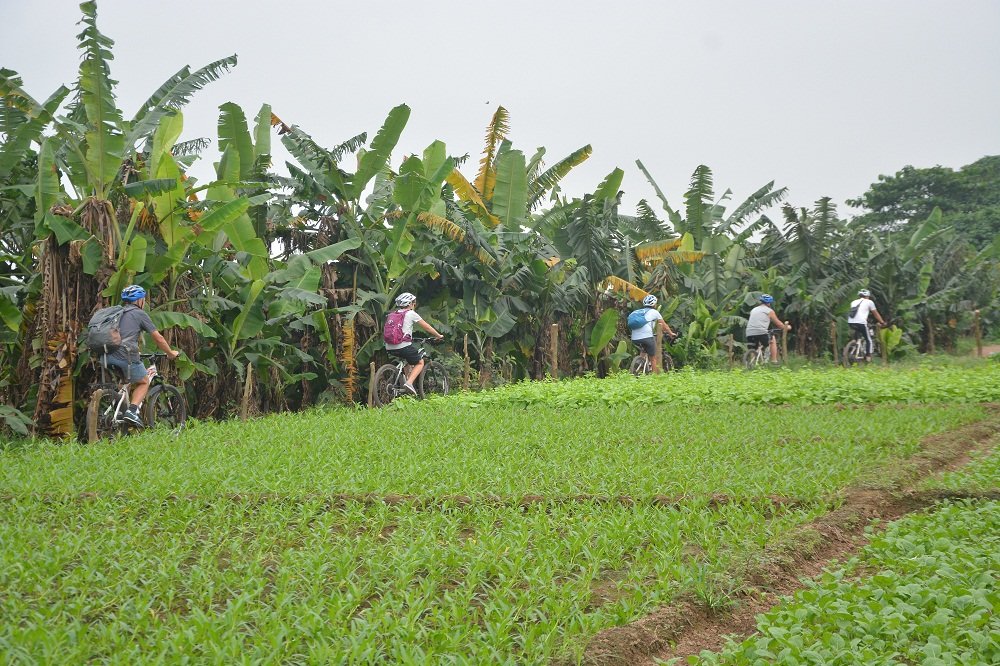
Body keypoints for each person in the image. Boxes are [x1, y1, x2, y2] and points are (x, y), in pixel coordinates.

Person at [102, 285, 180, 426]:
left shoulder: (117, 313)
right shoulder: (139, 314)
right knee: (144, 381)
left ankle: (118, 411)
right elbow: (158, 338)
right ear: (139, 301)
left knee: (126, 381)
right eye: (143, 299)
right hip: (124, 355)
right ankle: (132, 411)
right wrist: (170, 353)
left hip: (106, 355)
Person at [384, 292, 444, 395]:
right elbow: (427, 327)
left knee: (408, 360)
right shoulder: (410, 313)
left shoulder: (392, 314)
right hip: (402, 345)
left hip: (389, 346)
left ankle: (406, 387)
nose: (414, 304)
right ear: (410, 304)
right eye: (413, 302)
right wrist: (438, 335)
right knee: (420, 362)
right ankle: (409, 383)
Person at [630, 295, 676, 372]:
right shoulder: (654, 312)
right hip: (647, 337)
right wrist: (671, 333)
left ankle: (640, 365)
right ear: (654, 304)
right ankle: (654, 377)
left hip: (635, 338)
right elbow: (664, 326)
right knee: (653, 358)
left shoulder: (636, 312)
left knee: (644, 350)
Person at [745, 293, 791, 363]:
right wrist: (787, 327)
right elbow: (779, 324)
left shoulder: (753, 310)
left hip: (749, 332)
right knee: (772, 340)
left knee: (754, 347)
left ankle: (752, 363)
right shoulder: (769, 311)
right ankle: (774, 360)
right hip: (761, 332)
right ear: (769, 303)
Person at [848, 288, 886, 362]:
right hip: (861, 322)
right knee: (869, 340)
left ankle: (855, 346)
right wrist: (882, 322)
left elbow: (858, 313)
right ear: (868, 296)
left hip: (851, 322)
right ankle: (868, 357)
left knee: (858, 336)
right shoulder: (869, 302)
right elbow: (876, 314)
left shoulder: (853, 302)